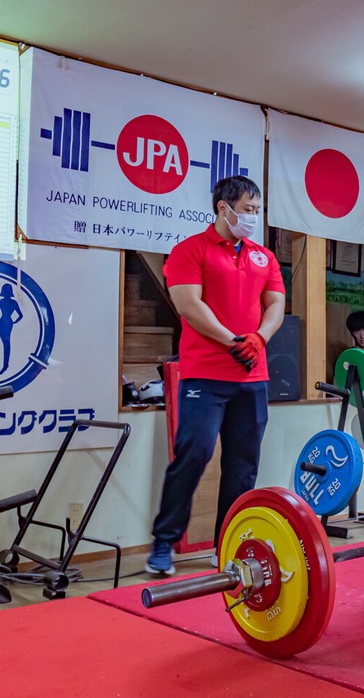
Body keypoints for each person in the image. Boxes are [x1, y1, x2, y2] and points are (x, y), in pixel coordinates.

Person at [145, 175, 286, 575]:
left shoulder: (263, 257)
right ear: (224, 208)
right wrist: (232, 341)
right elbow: (189, 306)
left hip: (251, 377)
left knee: (243, 465)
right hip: (205, 376)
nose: (253, 217)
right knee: (195, 453)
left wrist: (259, 338)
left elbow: (275, 304)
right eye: (248, 210)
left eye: (258, 211)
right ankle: (164, 543)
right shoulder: (190, 250)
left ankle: (228, 545)